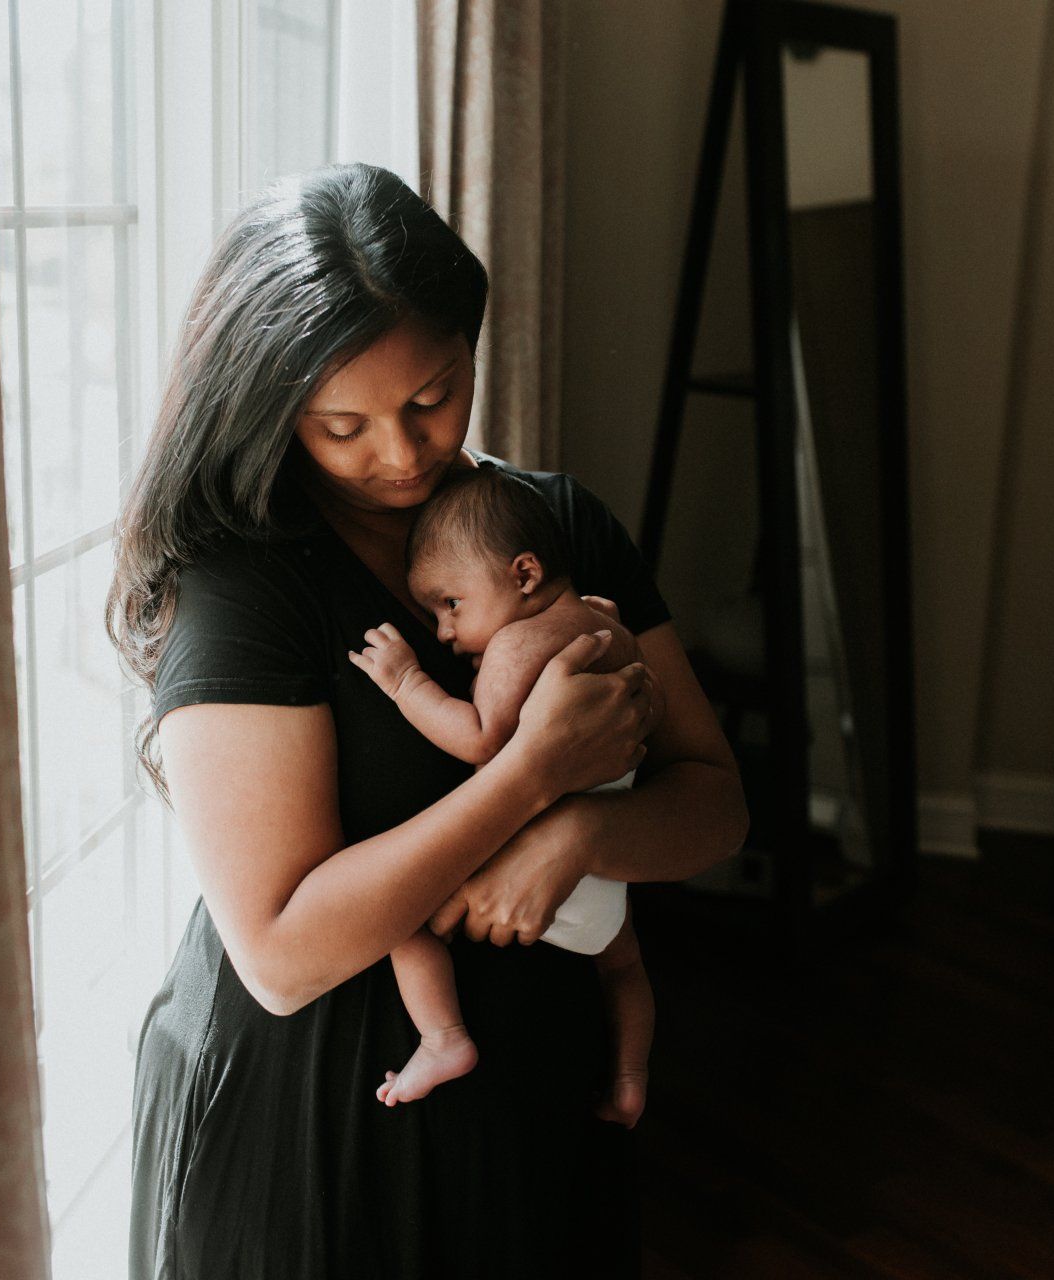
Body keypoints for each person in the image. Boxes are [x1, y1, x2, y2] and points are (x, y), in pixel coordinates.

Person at [109, 162, 747, 1280]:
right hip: (313, 1117)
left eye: (433, 397)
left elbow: (717, 805)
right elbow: (281, 953)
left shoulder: (553, 527)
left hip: (536, 1099)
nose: (402, 455)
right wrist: (533, 773)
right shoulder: (245, 582)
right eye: (342, 424)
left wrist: (583, 833)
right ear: (272, 409)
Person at [348, 464, 656, 1129]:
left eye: (451, 603)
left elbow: (482, 739)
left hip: (537, 860)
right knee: (625, 967)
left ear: (524, 575)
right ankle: (631, 1079)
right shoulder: (606, 621)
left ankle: (443, 1039)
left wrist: (407, 685)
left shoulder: (517, 643)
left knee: (397, 918)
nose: (443, 631)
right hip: (606, 874)